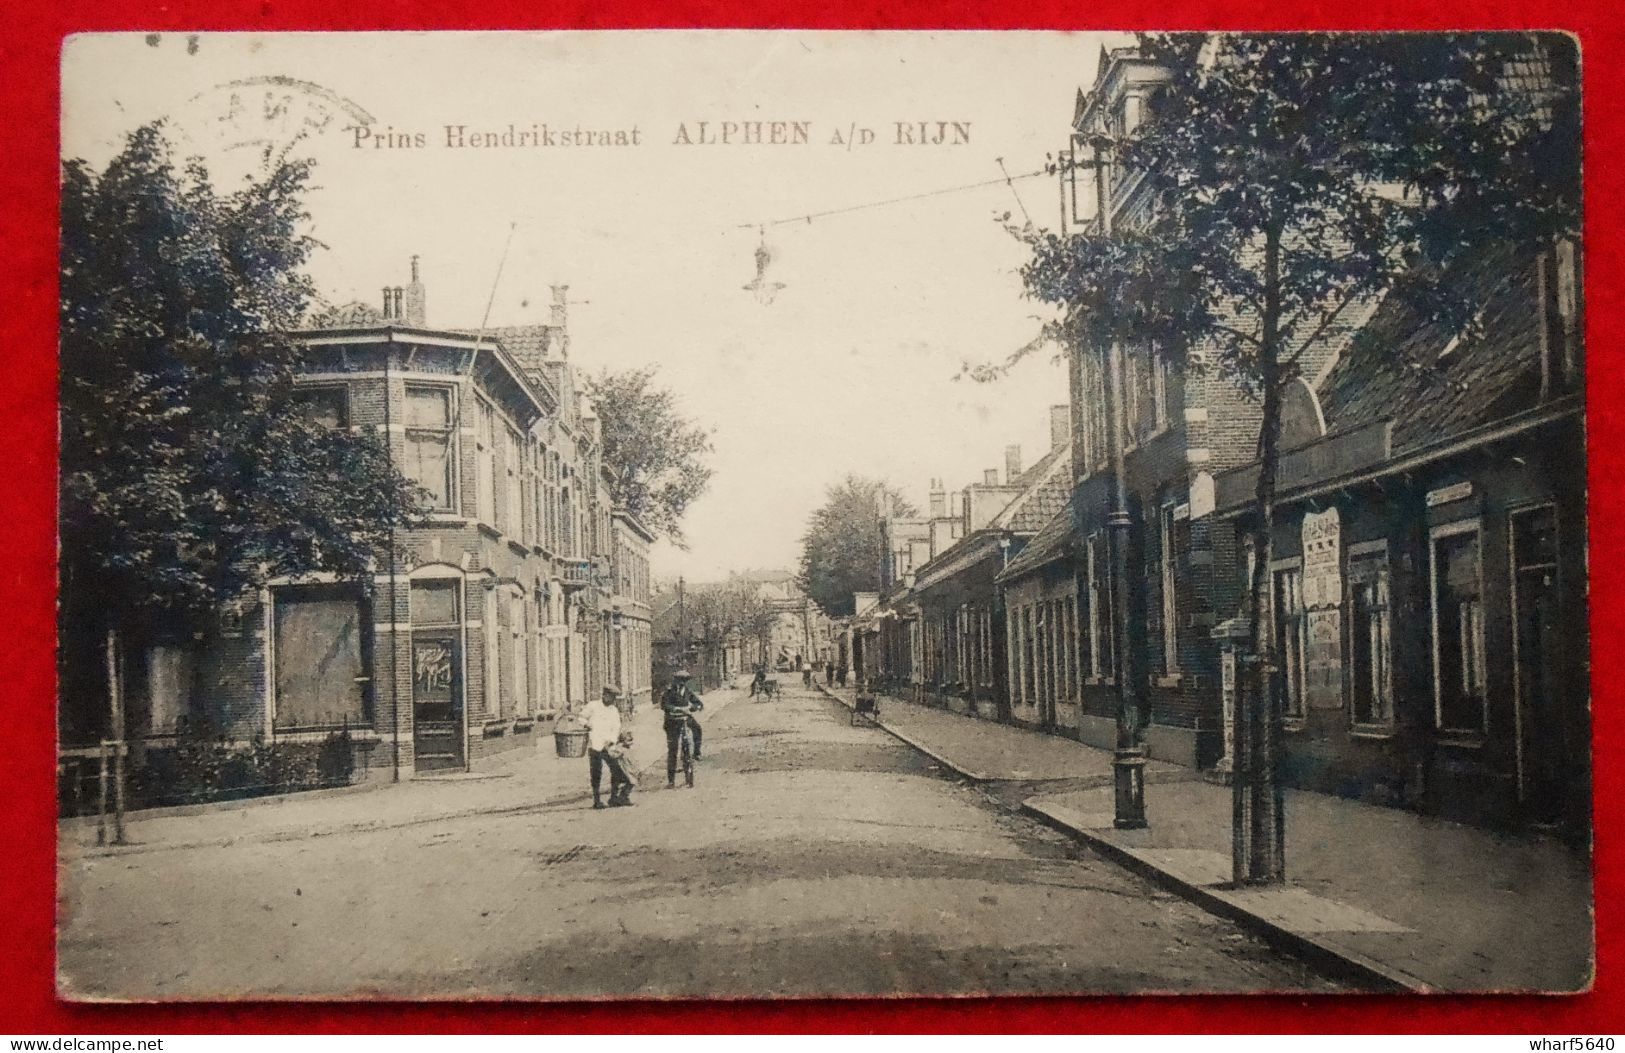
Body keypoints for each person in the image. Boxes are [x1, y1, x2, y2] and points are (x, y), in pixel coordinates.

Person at [585, 685, 634, 808]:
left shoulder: (614, 710)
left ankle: (614, 798)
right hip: (595, 744)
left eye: (614, 698)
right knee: (596, 773)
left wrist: (612, 741)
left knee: (616, 770)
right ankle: (597, 800)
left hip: (608, 746)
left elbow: (616, 727)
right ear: (604, 695)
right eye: (611, 697)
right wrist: (586, 724)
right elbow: (581, 717)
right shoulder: (592, 706)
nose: (613, 700)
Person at [661, 668, 705, 787]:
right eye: (680, 680)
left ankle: (697, 752)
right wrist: (676, 708)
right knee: (673, 750)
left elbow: (699, 704)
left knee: (697, 729)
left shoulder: (687, 691)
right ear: (675, 680)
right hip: (672, 722)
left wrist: (693, 708)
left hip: (685, 719)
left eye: (684, 681)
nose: (682, 683)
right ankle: (671, 780)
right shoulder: (669, 691)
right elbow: (664, 705)